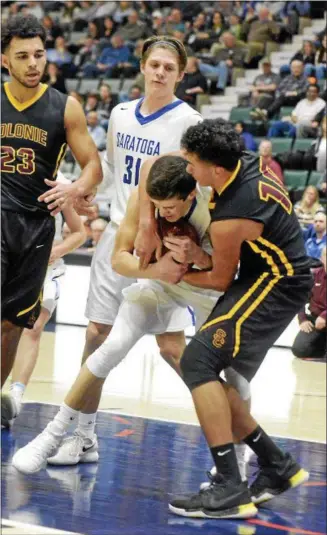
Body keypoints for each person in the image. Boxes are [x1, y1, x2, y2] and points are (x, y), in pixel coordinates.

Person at [11, 156, 249, 479]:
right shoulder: (145, 199)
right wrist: (155, 269)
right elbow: (119, 260)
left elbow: (226, 272)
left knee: (233, 371)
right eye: (158, 207)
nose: (163, 214)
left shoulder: (216, 207)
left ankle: (239, 453)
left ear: (191, 195)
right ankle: (51, 436)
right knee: (109, 346)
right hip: (160, 282)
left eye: (170, 209)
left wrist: (199, 257)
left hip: (206, 289)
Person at [148, 119, 312, 519]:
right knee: (205, 367)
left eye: (192, 164)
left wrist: (178, 270)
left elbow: (221, 280)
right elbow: (166, 161)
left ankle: (229, 487)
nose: (188, 170)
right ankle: (276, 466)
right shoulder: (245, 163)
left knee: (197, 362)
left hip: (277, 284)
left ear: (215, 170)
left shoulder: (231, 215)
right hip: (266, 275)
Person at [67, 36, 203, 441]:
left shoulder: (190, 123)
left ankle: (228, 432)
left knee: (172, 348)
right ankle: (82, 434)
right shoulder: (121, 114)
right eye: (155, 65)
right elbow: (111, 168)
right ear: (142, 66)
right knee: (96, 333)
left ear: (181, 74)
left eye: (169, 68)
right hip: (116, 236)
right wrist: (84, 192)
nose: (160, 72)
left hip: (163, 242)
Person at [1, 14, 102, 421]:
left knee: (12, 325)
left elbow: (93, 164)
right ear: (4, 59)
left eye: (39, 55)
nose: (33, 64)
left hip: (36, 228)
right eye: (22, 55)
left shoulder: (66, 107)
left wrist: (77, 189)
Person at [5, 172, 86, 426]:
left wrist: (57, 250)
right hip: (9, 255)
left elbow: (79, 232)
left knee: (34, 325)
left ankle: (16, 395)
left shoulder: (57, 183)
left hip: (45, 265)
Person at [292, 246, 326, 359]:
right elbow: (300, 298)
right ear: (322, 259)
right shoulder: (314, 275)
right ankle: (322, 346)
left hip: (323, 317)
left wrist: (324, 316)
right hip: (315, 320)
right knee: (299, 350)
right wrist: (302, 319)